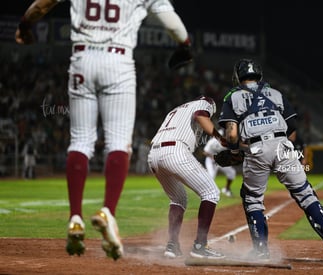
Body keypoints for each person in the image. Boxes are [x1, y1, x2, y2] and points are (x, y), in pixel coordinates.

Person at [16, 0, 192, 260]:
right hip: (118, 61)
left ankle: (75, 217)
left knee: (80, 142)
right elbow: (173, 25)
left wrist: (25, 26)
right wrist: (184, 45)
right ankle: (108, 212)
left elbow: (41, 6)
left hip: (81, 59)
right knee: (119, 143)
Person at [218, 59, 323, 260]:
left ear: (238, 76)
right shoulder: (276, 93)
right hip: (283, 145)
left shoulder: (232, 97)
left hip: (256, 148)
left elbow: (232, 134)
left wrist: (235, 152)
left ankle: (261, 250)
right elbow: (292, 130)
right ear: (259, 75)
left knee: (252, 199)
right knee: (305, 194)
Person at [147, 96, 225, 259]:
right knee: (211, 193)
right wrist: (221, 138)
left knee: (178, 198)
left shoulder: (175, 110)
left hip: (153, 155)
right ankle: (200, 246)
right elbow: (200, 116)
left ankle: (172, 245)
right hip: (175, 152)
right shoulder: (205, 103)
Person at [203, 129, 237, 197]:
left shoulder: (229, 142)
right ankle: (206, 193)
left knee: (232, 172)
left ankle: (226, 189)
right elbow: (204, 152)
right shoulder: (213, 141)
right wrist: (212, 156)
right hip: (211, 160)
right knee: (211, 175)